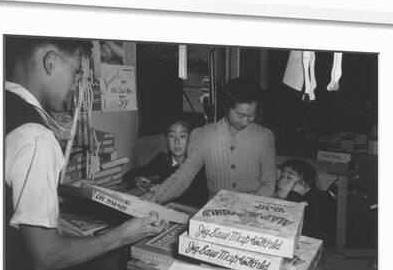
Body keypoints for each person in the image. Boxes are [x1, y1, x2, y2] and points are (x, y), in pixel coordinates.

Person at [4, 36, 166, 270]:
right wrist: (121, 236)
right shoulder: (35, 137)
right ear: (51, 62)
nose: (76, 86)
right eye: (76, 73)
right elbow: (46, 256)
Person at [143, 77, 277, 203]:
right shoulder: (203, 136)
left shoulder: (264, 137)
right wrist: (158, 195)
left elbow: (269, 183)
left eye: (252, 115)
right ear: (227, 108)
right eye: (240, 115)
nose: (246, 121)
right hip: (215, 210)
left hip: (253, 210)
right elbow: (183, 176)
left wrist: (249, 208)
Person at [123, 119, 209, 207]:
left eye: (182, 136)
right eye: (172, 136)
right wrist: (137, 180)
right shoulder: (162, 160)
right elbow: (129, 174)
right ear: (166, 139)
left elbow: (200, 199)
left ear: (191, 139)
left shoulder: (198, 165)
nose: (177, 142)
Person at [275, 158, 323, 239]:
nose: (281, 181)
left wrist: (295, 195)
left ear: (304, 186)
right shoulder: (274, 197)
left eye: (289, 178)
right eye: (281, 176)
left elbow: (288, 225)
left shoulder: (306, 207)